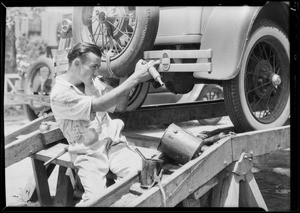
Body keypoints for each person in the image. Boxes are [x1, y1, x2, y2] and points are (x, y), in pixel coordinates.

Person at [50, 42, 160, 207]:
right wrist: (135, 77)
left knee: (142, 176)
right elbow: (100, 104)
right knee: (96, 199)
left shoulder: (92, 82)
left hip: (113, 143)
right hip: (88, 153)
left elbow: (120, 106)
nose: (96, 72)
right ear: (76, 63)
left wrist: (129, 72)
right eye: (94, 67)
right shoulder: (61, 93)